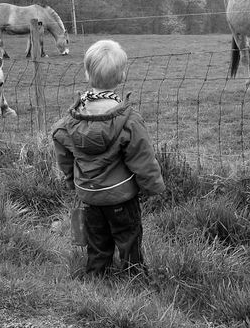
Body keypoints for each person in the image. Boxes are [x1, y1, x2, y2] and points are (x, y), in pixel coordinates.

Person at [52, 40, 165, 278]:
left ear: (86, 73)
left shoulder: (71, 121)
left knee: (97, 242)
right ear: (122, 76)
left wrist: (71, 179)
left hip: (89, 195)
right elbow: (142, 157)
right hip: (120, 195)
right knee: (128, 239)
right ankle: (135, 278)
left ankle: (96, 277)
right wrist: (152, 187)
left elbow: (62, 147)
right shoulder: (128, 120)